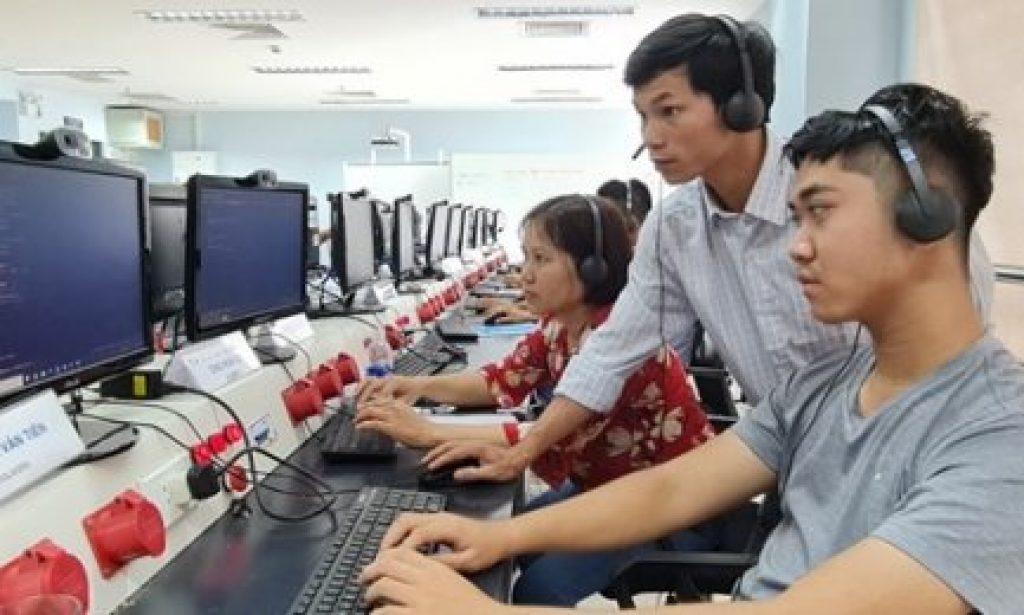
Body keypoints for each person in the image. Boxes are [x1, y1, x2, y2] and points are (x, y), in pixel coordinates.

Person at [360, 83, 1024, 615]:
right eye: (795, 218)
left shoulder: (1001, 437)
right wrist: (497, 535)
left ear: (926, 216)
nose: (796, 247)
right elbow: (671, 489)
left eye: (820, 212)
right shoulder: (824, 384)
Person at [416, 12, 995, 497]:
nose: (650, 137)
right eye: (643, 116)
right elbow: (612, 352)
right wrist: (526, 449)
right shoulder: (675, 227)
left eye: (669, 111)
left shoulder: (848, 197)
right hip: (788, 465)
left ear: (741, 106)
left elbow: (953, 329)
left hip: (899, 463)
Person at [356, 194, 715, 603]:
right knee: (511, 547)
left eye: (540, 259)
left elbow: (546, 434)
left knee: (537, 588)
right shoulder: (559, 327)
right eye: (526, 256)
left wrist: (430, 431)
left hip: (670, 508)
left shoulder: (620, 340)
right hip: (605, 487)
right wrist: (416, 386)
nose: (525, 274)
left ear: (592, 268)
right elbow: (499, 379)